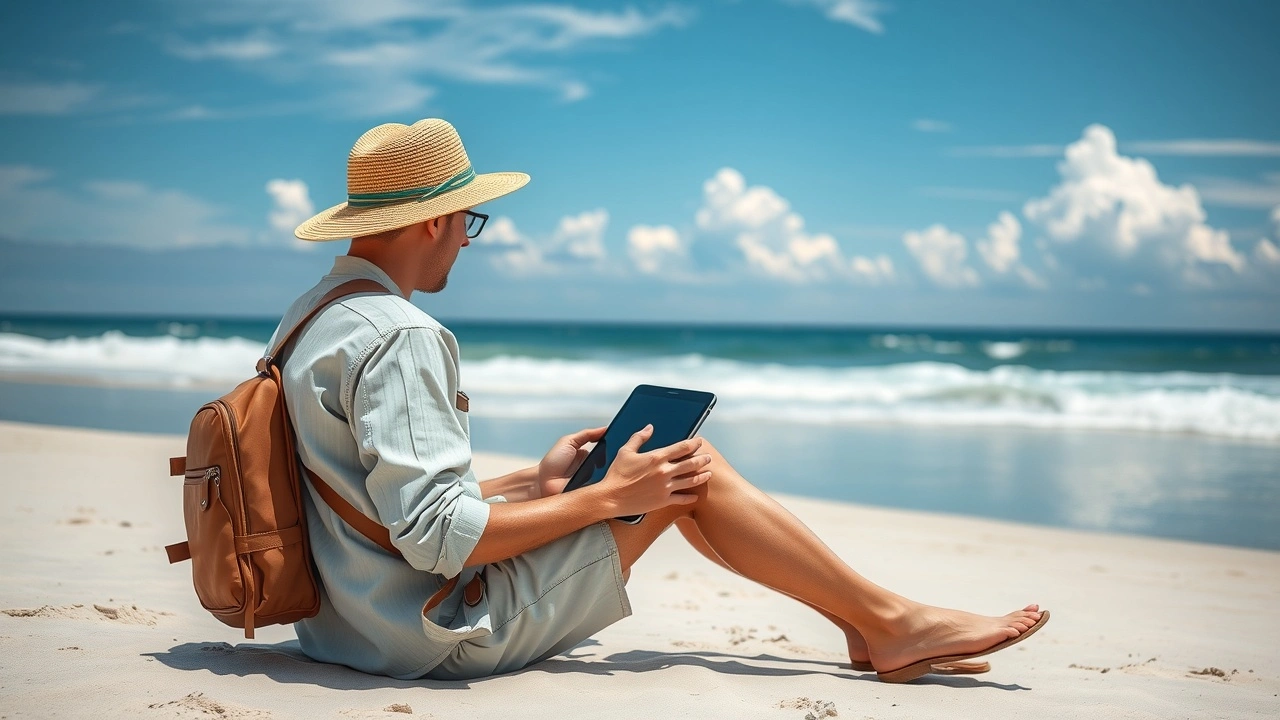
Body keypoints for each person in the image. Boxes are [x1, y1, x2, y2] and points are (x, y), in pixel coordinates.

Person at [272, 118, 1048, 683]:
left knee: (672, 472)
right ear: (436, 219)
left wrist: (529, 486)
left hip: (343, 622)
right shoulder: (403, 335)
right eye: (468, 221)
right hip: (431, 632)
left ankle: (870, 624)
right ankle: (889, 626)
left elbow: (376, 496)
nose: (468, 241)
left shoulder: (309, 319)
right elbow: (439, 541)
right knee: (687, 465)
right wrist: (601, 499)